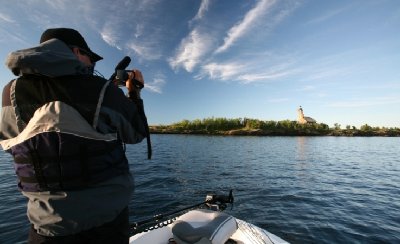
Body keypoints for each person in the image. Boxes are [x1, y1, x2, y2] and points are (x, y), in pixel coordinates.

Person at [0, 28, 150, 243]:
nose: (92, 64)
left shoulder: (10, 92)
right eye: (91, 58)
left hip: (46, 228)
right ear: (76, 51)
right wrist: (134, 93)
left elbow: (15, 146)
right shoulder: (102, 90)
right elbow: (136, 133)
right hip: (107, 225)